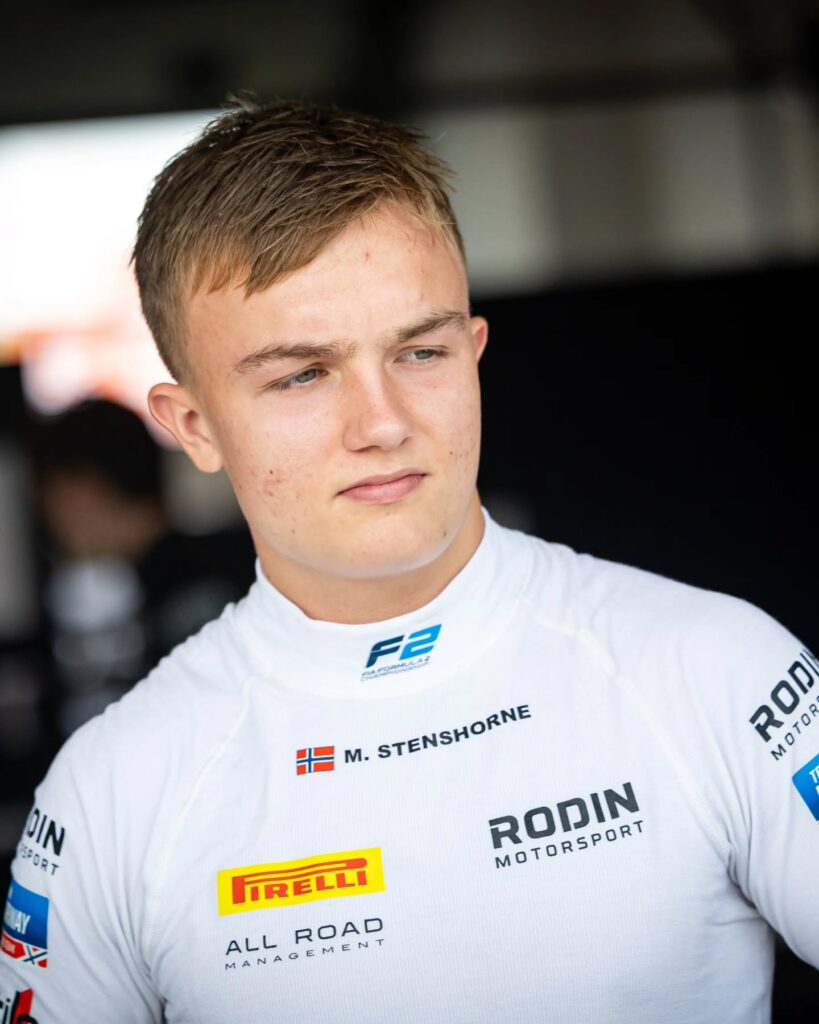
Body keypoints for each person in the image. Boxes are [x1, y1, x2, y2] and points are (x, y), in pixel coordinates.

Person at [1, 97, 817, 1024]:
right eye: (302, 374)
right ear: (195, 427)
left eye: (420, 352)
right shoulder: (114, 792)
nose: (382, 423)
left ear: (472, 353)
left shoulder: (718, 672)